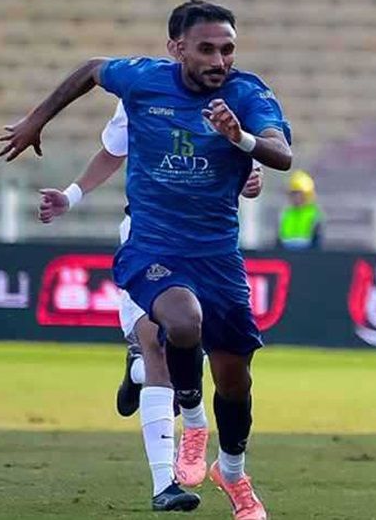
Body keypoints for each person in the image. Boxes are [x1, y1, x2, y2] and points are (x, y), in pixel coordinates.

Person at [0, 0, 292, 520]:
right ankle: (192, 422)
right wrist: (35, 120)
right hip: (152, 243)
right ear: (176, 48)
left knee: (235, 378)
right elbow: (91, 71)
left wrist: (240, 140)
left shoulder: (247, 93)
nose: (219, 60)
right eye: (206, 49)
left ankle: (231, 470)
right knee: (181, 322)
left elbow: (281, 154)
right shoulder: (143, 82)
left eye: (227, 49)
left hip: (217, 254)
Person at [40, 105, 262, 509]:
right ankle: (165, 485)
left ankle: (138, 371)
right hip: (148, 240)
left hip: (209, 246)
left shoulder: (233, 98)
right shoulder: (142, 92)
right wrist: (70, 197)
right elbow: (112, 151)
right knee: (158, 344)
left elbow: (247, 158)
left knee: (203, 356)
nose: (214, 69)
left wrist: (250, 175)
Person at [276, 170, 324, 250]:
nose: (296, 197)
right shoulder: (285, 213)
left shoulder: (314, 214)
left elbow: (316, 241)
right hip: (286, 252)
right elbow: (279, 239)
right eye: (293, 194)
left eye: (298, 193)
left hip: (307, 253)